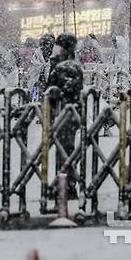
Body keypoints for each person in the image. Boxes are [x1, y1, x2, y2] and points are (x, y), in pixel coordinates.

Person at [46, 33, 83, 199]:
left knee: (62, 151)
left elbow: (51, 90)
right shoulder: (76, 66)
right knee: (68, 150)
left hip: (62, 114)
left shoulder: (60, 67)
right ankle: (69, 185)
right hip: (73, 114)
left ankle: (62, 186)